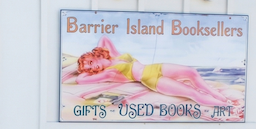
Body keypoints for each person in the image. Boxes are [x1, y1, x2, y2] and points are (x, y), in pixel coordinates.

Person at [75, 36, 231, 107]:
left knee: (192, 72)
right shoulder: (108, 72)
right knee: (193, 93)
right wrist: (87, 70)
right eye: (89, 69)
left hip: (155, 67)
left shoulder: (114, 55)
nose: (91, 68)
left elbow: (104, 39)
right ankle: (224, 105)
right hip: (151, 80)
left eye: (89, 62)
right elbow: (80, 80)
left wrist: (96, 55)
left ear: (93, 55)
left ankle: (217, 95)